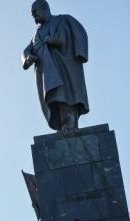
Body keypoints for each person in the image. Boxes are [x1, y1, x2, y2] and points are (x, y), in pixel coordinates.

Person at [21, 0, 89, 132]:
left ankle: (69, 123)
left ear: (45, 7)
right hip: (46, 74)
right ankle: (63, 125)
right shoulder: (36, 36)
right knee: (55, 98)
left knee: (66, 95)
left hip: (64, 66)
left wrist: (55, 40)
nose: (33, 15)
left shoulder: (63, 20)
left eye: (35, 11)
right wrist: (27, 58)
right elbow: (25, 51)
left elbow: (76, 34)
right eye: (31, 14)